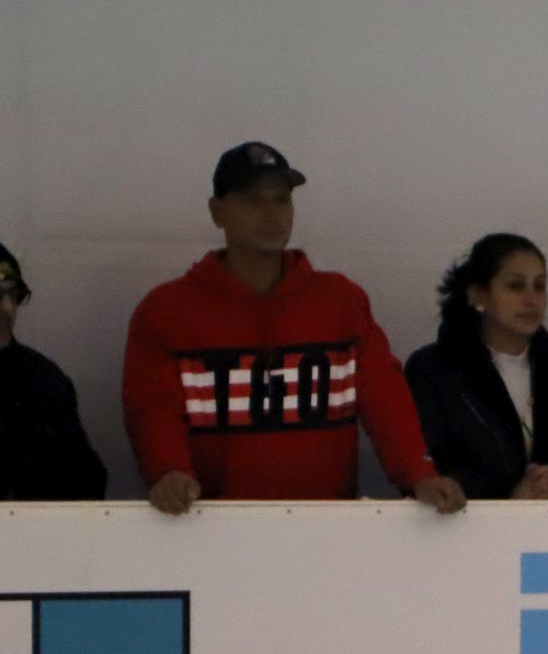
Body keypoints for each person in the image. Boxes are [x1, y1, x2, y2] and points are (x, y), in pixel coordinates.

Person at [123, 143, 463, 515]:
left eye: (281, 200)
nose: (271, 215)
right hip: (209, 531)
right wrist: (168, 470)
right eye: (252, 201)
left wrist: (419, 475)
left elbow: (384, 398)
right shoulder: (167, 311)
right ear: (217, 212)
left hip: (324, 529)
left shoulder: (341, 302)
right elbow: (152, 409)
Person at [403, 234, 548, 501]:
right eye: (515, 286)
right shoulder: (433, 371)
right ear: (477, 295)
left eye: (540, 286)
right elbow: (428, 472)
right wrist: (510, 498)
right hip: (465, 538)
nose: (532, 300)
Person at [0, 241, 109, 500]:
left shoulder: (44, 379)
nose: (6, 308)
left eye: (13, 294)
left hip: (38, 535)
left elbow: (87, 480)